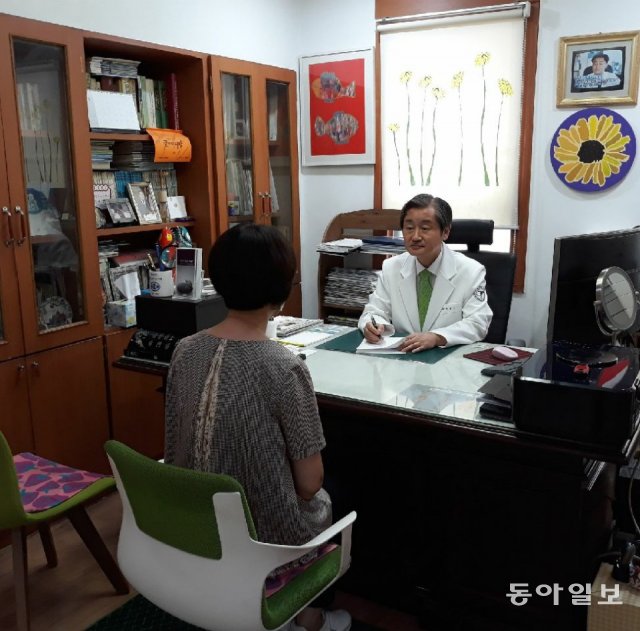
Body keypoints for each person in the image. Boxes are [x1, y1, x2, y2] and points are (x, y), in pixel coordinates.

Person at [164, 223, 349, 631]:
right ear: (281, 289)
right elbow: (309, 484)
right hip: (263, 539)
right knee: (338, 486)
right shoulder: (284, 367)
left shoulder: (184, 350)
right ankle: (309, 614)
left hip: (194, 520)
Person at [359, 193, 492, 351]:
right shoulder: (391, 267)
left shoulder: (471, 271)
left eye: (425, 228)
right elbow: (374, 311)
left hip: (447, 358)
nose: (415, 236)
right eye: (409, 228)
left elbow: (478, 323)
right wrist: (374, 325)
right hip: (402, 357)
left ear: (445, 232)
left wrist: (437, 337)